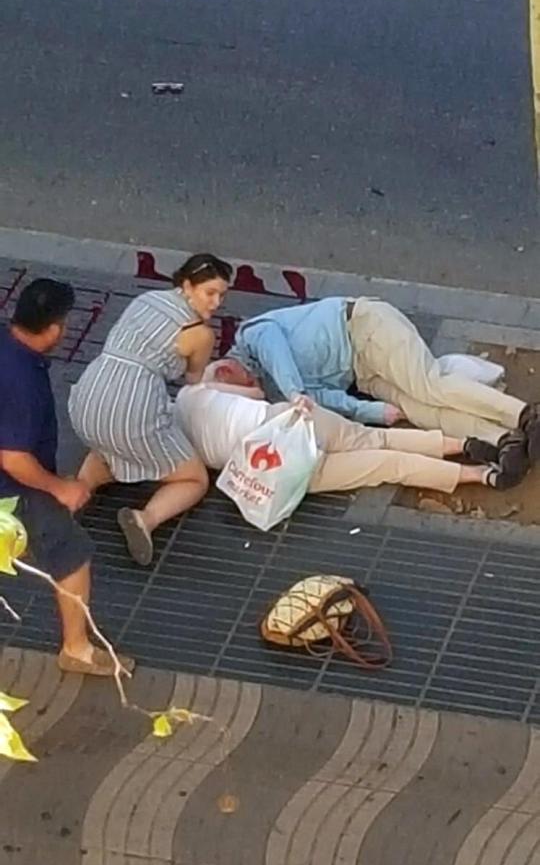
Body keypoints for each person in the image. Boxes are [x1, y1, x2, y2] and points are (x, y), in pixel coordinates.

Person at [0, 279, 134, 676]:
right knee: (71, 551)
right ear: (55, 328)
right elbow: (14, 459)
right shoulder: (22, 381)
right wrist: (62, 488)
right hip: (12, 491)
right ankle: (75, 649)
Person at [69, 253, 232, 566]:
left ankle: (73, 496)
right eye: (209, 293)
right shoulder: (200, 333)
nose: (215, 303)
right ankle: (145, 518)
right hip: (132, 407)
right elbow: (194, 382)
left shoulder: (148, 298)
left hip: (88, 394)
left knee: (105, 448)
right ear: (187, 286)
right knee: (193, 479)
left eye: (221, 295)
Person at [226, 296, 540, 451]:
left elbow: (278, 352)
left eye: (242, 390)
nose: (251, 393)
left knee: (429, 385)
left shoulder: (252, 335)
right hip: (361, 374)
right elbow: (319, 397)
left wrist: (294, 393)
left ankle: (523, 415)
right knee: (418, 411)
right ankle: (500, 441)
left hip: (362, 327)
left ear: (229, 370)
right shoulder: (271, 389)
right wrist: (372, 411)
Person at [173, 362, 530, 496]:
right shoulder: (194, 391)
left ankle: (482, 476)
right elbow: (253, 392)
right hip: (290, 420)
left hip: (282, 469)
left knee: (389, 467)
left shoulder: (178, 451)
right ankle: (464, 443)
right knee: (376, 437)